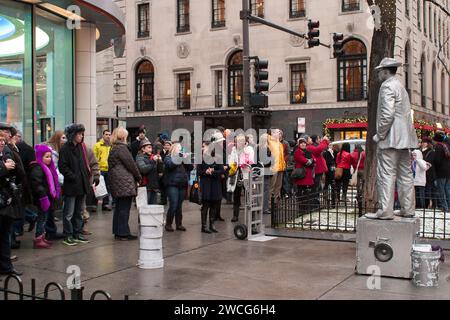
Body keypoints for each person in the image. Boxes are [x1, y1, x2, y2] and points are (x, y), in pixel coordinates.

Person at [365, 57, 418, 220]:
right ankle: (407, 209)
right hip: (405, 139)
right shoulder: (400, 86)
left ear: (386, 71)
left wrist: (380, 134)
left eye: (380, 71)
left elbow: (387, 115)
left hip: (391, 139)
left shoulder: (387, 86)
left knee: (386, 174)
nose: (379, 74)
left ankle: (385, 210)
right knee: (405, 175)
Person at [58, 124, 92, 245]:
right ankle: (68, 235)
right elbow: (62, 166)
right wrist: (73, 177)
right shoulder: (65, 148)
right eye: (79, 134)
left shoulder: (80, 147)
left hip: (82, 185)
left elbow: (84, 164)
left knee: (78, 212)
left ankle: (77, 233)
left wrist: (86, 178)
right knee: (69, 213)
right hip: (71, 185)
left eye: (82, 134)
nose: (81, 136)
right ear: (73, 135)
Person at [108, 127, 141, 240]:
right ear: (123, 137)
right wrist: (138, 177)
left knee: (119, 208)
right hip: (124, 182)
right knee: (124, 209)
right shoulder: (122, 148)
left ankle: (118, 231)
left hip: (117, 181)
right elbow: (131, 164)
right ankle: (123, 233)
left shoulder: (114, 148)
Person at [29, 144, 61, 249]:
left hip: (47, 197)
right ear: (40, 157)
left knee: (45, 217)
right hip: (42, 199)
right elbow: (37, 185)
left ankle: (42, 237)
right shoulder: (37, 168)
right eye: (46, 157)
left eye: (50, 156)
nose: (49, 159)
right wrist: (43, 198)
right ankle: (38, 238)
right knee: (42, 218)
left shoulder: (48, 168)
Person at [0, 130, 22, 276]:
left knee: (5, 236)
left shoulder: (5, 153)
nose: (2, 143)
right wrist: (3, 168)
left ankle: (6, 267)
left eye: (3, 140)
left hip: (5, 202)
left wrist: (10, 165)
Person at [163, 142, 192, 231]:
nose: (181, 150)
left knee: (179, 206)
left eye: (181, 148)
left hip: (182, 184)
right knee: (174, 204)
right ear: (174, 148)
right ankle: (168, 224)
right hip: (172, 184)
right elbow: (171, 165)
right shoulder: (168, 157)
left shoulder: (182, 158)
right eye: (179, 148)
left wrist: (187, 159)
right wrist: (180, 157)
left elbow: (190, 168)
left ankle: (179, 224)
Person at [197, 142, 224, 233]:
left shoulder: (218, 158)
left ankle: (212, 224)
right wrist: (206, 172)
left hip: (215, 183)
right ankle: (203, 226)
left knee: (214, 204)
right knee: (205, 205)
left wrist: (213, 171)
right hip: (206, 184)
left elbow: (221, 170)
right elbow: (199, 172)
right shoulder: (201, 159)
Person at [228, 134, 254, 222]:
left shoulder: (249, 149)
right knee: (236, 196)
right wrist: (233, 164)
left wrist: (244, 150)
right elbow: (231, 161)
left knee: (249, 195)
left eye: (239, 142)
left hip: (246, 174)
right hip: (237, 174)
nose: (237, 144)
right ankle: (235, 215)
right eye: (236, 142)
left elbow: (249, 161)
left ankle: (252, 217)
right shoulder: (234, 149)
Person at [136, 139, 162, 204]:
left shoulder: (153, 156)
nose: (151, 149)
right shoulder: (139, 157)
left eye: (151, 148)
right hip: (145, 187)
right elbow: (143, 169)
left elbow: (160, 171)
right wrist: (153, 161)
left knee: (153, 209)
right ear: (143, 149)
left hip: (154, 187)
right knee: (144, 209)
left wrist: (160, 162)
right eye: (149, 147)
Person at [293, 137, 315, 212]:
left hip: (308, 174)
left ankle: (306, 207)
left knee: (307, 192)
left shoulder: (308, 151)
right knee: (300, 191)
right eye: (301, 143)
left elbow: (314, 160)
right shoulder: (297, 152)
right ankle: (301, 208)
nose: (303, 144)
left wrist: (311, 161)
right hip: (301, 175)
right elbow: (304, 160)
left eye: (304, 143)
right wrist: (310, 161)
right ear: (299, 144)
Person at [93, 130, 112, 211]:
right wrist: (96, 168)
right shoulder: (97, 145)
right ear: (103, 135)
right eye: (106, 134)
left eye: (109, 135)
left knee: (107, 187)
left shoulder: (111, 146)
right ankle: (94, 204)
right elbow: (94, 158)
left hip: (108, 169)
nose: (108, 136)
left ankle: (106, 204)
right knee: (97, 186)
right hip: (100, 169)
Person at [433, 132, 450, 212]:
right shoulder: (447, 146)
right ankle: (448, 206)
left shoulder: (439, 147)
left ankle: (444, 207)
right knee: (447, 189)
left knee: (441, 190)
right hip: (448, 172)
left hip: (441, 172)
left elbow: (437, 160)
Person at [268, 128, 286, 202]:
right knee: (271, 186)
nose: (279, 134)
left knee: (278, 186)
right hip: (273, 168)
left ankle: (274, 202)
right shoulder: (269, 142)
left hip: (280, 167)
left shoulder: (280, 144)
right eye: (277, 132)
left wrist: (283, 164)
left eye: (279, 132)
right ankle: (269, 203)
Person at [421, 136, 437, 208]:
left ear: (427, 143)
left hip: (430, 174)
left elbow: (430, 162)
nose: (422, 143)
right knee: (427, 190)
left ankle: (433, 204)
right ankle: (426, 204)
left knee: (430, 189)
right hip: (424, 173)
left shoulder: (431, 152)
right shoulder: (422, 151)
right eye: (422, 142)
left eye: (424, 142)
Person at [351, 144, 366, 215]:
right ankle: (362, 194)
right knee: (364, 183)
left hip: (356, 170)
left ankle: (358, 193)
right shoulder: (364, 153)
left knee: (357, 184)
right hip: (363, 170)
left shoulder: (352, 154)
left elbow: (351, 162)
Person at [323, 144, 338, 208]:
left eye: (331, 145)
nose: (331, 147)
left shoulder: (332, 152)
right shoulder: (326, 152)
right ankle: (328, 199)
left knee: (330, 185)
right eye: (329, 145)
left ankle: (332, 201)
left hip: (332, 170)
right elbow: (327, 161)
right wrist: (332, 164)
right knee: (329, 184)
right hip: (329, 171)